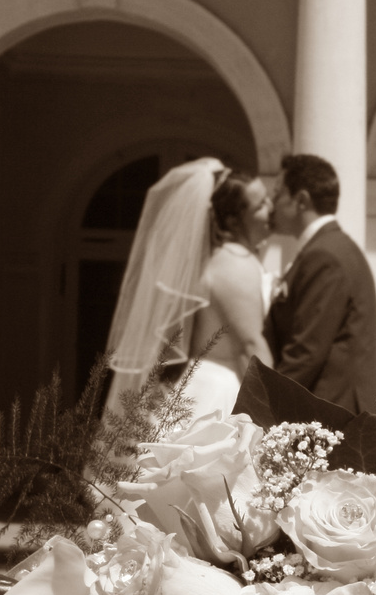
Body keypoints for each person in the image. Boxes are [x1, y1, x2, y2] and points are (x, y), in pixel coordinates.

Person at [101, 158, 273, 423]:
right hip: (221, 391)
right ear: (232, 219)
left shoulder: (216, 260)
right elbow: (251, 345)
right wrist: (276, 414)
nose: (270, 209)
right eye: (260, 205)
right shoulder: (234, 261)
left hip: (197, 385)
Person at [264, 154, 376, 414]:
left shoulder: (324, 255)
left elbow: (306, 351)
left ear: (301, 200)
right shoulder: (332, 247)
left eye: (278, 193)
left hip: (334, 410)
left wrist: (261, 408)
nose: (271, 203)